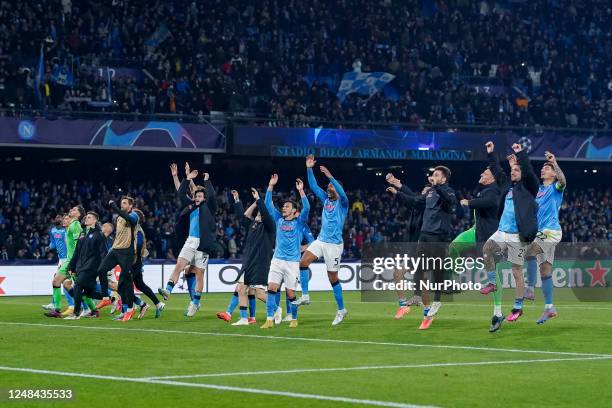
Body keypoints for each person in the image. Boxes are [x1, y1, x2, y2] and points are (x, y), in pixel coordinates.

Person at [480, 142, 539, 332]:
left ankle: (518, 307)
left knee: (516, 272)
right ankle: (491, 282)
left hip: (517, 236)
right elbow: (497, 171)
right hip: (502, 231)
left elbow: (528, 171)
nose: (512, 172)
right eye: (512, 170)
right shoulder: (509, 188)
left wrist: (520, 153)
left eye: (515, 170)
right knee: (486, 250)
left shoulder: (530, 188)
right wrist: (491, 153)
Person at [396, 166, 457, 330]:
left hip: (439, 237)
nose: (433, 177)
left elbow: (451, 202)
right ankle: (416, 296)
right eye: (433, 175)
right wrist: (397, 194)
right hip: (425, 234)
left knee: (437, 273)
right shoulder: (429, 193)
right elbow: (415, 201)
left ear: (443, 179)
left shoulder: (448, 191)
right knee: (419, 267)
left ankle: (437, 301)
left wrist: (436, 186)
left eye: (437, 175)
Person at [159, 169, 217, 317]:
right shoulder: (191, 206)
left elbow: (212, 197)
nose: (197, 198)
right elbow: (180, 193)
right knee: (180, 265)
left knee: (199, 274)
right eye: (196, 196)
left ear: (204, 198)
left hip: (203, 244)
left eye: (200, 196)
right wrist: (186, 178)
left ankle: (195, 303)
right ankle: (168, 290)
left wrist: (206, 181)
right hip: (190, 241)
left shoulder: (209, 207)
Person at [300, 155, 349, 326]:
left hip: (334, 245)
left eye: (331, 186)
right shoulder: (325, 199)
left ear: (337, 188)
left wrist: (330, 177)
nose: (328, 188)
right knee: (303, 262)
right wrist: (309, 168)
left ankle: (341, 309)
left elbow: (341, 192)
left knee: (332, 278)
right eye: (328, 186)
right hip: (321, 240)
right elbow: (313, 186)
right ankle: (305, 295)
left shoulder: (343, 203)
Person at [217, 188, 276, 325]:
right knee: (243, 288)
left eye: (261, 213)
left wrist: (259, 200)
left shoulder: (269, 227)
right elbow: (242, 216)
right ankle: (244, 318)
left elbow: (266, 215)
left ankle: (275, 309)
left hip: (260, 262)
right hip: (250, 261)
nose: (258, 215)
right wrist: (239, 200)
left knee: (256, 292)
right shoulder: (253, 225)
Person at [261, 174, 310, 329]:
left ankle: (294, 318)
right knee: (271, 289)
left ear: (294, 210)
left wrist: (301, 191)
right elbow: (268, 204)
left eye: (287, 206)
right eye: (283, 206)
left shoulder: (300, 223)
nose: (284, 207)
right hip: (277, 260)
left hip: (292, 262)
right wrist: (270, 185)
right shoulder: (278, 219)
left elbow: (307, 207)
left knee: (290, 293)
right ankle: (269, 319)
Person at [525, 151, 566, 324]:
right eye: (542, 168)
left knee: (529, 253)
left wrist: (554, 162)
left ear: (553, 174)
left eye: (546, 168)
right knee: (545, 271)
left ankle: (529, 288)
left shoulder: (555, 188)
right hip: (541, 232)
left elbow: (563, 181)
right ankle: (549, 307)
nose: (543, 170)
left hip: (551, 231)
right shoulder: (539, 191)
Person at [385, 173, 429, 319]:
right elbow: (413, 197)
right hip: (413, 248)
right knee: (398, 273)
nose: (421, 194)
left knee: (421, 279)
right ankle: (404, 305)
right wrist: (398, 183)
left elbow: (412, 199)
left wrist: (397, 190)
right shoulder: (418, 203)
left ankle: (428, 311)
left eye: (425, 192)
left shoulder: (427, 205)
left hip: (424, 248)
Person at [95, 196, 140, 321]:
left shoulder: (134, 215)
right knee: (101, 271)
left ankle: (129, 310)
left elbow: (128, 218)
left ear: (130, 206)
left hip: (127, 252)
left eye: (125, 203)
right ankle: (105, 298)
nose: (122, 205)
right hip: (115, 250)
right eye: (121, 203)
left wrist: (114, 206)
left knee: (125, 282)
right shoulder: (119, 217)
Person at [63, 212, 108, 320]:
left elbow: (103, 253)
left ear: (95, 220)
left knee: (77, 285)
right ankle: (112, 298)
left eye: (89, 217)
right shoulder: (82, 234)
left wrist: (104, 267)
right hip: (81, 267)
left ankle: (76, 313)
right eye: (86, 217)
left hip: (92, 267)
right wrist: (71, 267)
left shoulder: (98, 234)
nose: (86, 219)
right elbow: (76, 253)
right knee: (89, 292)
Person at [44, 206, 84, 318]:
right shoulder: (68, 228)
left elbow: (78, 246)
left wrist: (75, 262)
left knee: (80, 287)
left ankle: (90, 307)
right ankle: (58, 309)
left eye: (75, 210)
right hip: (68, 260)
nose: (72, 210)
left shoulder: (75, 226)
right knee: (64, 284)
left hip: (73, 261)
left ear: (78, 215)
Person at [130, 209, 165, 319]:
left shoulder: (138, 230)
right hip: (136, 261)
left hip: (135, 262)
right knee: (140, 285)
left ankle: (138, 305)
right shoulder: (134, 229)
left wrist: (133, 253)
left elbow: (139, 244)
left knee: (124, 285)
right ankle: (159, 304)